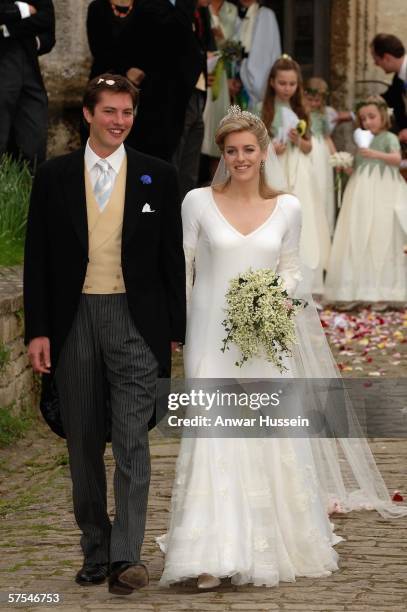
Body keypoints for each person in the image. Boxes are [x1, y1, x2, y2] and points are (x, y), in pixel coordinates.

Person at [157, 106, 407, 589]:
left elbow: (294, 269)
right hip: (211, 336)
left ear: (264, 150)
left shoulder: (288, 207)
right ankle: (210, 552)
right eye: (231, 150)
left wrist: (271, 300)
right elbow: (183, 269)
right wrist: (185, 328)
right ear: (223, 155)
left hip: (267, 336)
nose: (240, 158)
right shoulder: (196, 202)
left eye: (249, 149)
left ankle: (270, 542)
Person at [23, 74, 186, 595]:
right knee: (85, 442)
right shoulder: (53, 177)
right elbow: (38, 262)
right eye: (110, 111)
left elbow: (171, 261)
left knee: (134, 441)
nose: (120, 121)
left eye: (127, 112)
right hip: (74, 323)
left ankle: (127, 557)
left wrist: (174, 333)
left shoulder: (157, 177)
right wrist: (38, 332)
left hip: (135, 322)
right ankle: (95, 548)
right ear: (88, 115)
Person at [324, 95, 407, 306]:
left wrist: (375, 153)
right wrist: (344, 165)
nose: (367, 122)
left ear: (383, 116)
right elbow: (360, 166)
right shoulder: (361, 139)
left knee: (382, 232)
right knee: (358, 231)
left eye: (371, 117)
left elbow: (397, 160)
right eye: (363, 118)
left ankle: (384, 292)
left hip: (384, 188)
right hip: (360, 189)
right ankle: (354, 290)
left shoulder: (389, 137)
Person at [262, 56, 331, 295]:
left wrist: (298, 141)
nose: (287, 88)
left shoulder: (301, 109)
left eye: (291, 84)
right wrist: (271, 147)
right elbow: (254, 143)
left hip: (299, 169)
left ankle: (306, 279)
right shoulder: (264, 110)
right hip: (276, 165)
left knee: (303, 217)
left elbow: (309, 147)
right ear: (272, 82)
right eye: (282, 83)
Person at [0, 0, 55, 168]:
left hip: (29, 66)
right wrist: (25, 10)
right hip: (4, 65)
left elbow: (47, 21)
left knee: (34, 139)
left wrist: (8, 29)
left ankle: (29, 187)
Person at [201, 0, 239, 171]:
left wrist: (221, 37)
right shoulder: (201, 6)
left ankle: (215, 175)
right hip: (203, 68)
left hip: (221, 72)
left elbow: (234, 46)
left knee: (218, 121)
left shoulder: (232, 9)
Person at [304, 77, 337, 236]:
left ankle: (324, 228)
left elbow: (326, 137)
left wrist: (336, 156)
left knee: (323, 182)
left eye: (317, 100)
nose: (313, 104)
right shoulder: (300, 113)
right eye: (310, 99)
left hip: (321, 151)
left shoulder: (323, 116)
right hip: (307, 148)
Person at [235, 0, 281, 112]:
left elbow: (268, 50)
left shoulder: (266, 15)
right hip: (236, 75)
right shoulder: (233, 12)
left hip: (259, 76)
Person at [370, 33, 407, 146]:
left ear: (386, 58)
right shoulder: (399, 77)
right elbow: (389, 99)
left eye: (376, 60)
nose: (375, 64)